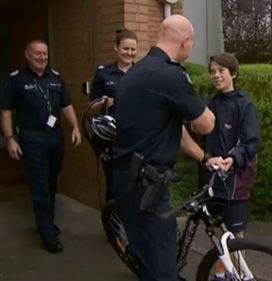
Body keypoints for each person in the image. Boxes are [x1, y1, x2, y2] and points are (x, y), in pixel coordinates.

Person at [112, 15, 215, 281]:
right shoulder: (170, 75)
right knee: (162, 267)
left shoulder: (134, 73)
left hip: (126, 180)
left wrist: (204, 157)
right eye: (192, 44)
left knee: (146, 258)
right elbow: (205, 125)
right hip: (148, 185)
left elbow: (170, 127)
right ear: (185, 41)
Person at [0, 39, 81, 253]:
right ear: (27, 54)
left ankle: (46, 222)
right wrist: (10, 139)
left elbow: (66, 105)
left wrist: (75, 127)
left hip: (54, 137)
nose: (42, 57)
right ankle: (47, 235)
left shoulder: (55, 78)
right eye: (37, 53)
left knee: (51, 182)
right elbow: (6, 111)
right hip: (31, 139)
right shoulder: (16, 80)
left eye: (45, 53)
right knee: (40, 186)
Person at [198, 53, 260, 281]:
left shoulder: (245, 104)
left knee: (235, 234)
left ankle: (242, 275)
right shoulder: (208, 104)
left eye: (221, 71)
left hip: (236, 181)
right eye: (213, 71)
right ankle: (220, 275)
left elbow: (251, 142)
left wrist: (234, 158)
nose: (216, 75)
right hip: (212, 179)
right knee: (215, 230)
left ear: (232, 73)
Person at [87, 29, 138, 201]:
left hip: (136, 138)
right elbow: (91, 108)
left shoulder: (141, 73)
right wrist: (101, 103)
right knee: (114, 185)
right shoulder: (103, 73)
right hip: (112, 139)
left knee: (135, 184)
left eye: (133, 49)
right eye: (125, 48)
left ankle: (133, 225)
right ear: (116, 48)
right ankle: (114, 225)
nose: (129, 53)